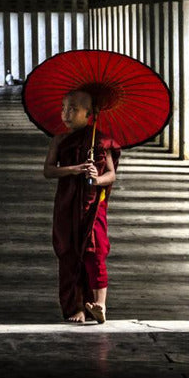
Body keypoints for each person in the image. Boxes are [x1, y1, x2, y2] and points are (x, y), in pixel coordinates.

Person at [42, 90, 120, 324]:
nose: (66, 113)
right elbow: (48, 170)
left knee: (94, 251)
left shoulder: (102, 141)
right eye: (63, 108)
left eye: (73, 108)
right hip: (67, 204)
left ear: (89, 114)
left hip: (92, 205)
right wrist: (73, 169)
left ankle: (100, 305)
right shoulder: (59, 140)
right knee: (69, 253)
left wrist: (96, 179)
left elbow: (111, 175)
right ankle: (76, 306)